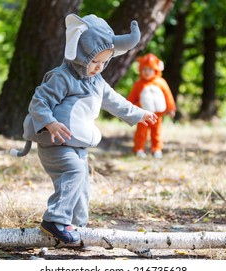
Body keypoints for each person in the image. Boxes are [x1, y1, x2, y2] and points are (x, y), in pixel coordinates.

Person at [14, 14, 157, 244]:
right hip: (56, 143)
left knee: (82, 185)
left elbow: (116, 102)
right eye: (94, 61)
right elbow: (39, 101)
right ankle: (54, 219)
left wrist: (139, 114)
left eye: (104, 63)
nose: (99, 68)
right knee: (74, 173)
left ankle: (77, 228)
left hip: (77, 145)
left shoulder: (97, 81)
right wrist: (50, 122)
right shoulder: (62, 77)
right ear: (81, 53)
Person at [127, 53, 176, 159]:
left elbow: (168, 96)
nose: (146, 72)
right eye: (144, 69)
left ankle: (157, 149)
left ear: (156, 70)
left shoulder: (161, 82)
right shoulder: (139, 84)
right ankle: (139, 148)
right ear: (140, 70)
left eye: (149, 69)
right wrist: (129, 110)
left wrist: (171, 108)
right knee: (141, 132)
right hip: (142, 115)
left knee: (156, 132)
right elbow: (131, 98)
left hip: (157, 115)